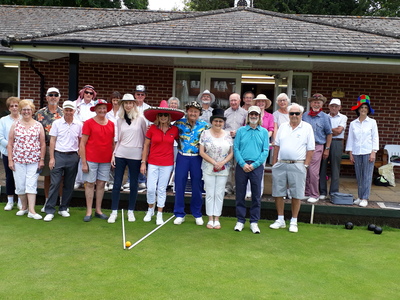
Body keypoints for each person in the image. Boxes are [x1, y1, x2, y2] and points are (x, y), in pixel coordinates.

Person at [270, 103, 315, 233]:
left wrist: (305, 165)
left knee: (297, 194)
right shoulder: (283, 127)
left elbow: (311, 149)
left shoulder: (307, 127)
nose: (294, 116)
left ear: (301, 114)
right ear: (288, 114)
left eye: (297, 113)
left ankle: (294, 221)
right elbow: (277, 146)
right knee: (278, 192)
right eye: (291, 113)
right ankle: (280, 220)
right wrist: (274, 164)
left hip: (298, 164)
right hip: (281, 163)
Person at [141, 100, 184, 225]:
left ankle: (159, 213)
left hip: (167, 163)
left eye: (165, 115)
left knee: (161, 189)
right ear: (157, 117)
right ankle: (150, 210)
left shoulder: (175, 130)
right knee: (150, 189)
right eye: (161, 115)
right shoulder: (152, 129)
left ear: (169, 117)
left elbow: (182, 142)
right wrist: (143, 162)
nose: (163, 117)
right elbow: (146, 146)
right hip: (153, 162)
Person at [107, 94, 147, 223]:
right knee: (117, 183)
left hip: (135, 155)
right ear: (123, 105)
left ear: (134, 104)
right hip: (121, 154)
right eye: (126, 103)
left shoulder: (141, 119)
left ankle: (131, 211)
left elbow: (145, 138)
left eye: (131, 103)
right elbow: (118, 140)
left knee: (134, 183)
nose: (128, 105)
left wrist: (143, 159)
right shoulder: (119, 120)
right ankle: (114, 211)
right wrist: (114, 154)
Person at [43, 101, 82, 221]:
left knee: (69, 184)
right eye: (67, 110)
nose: (69, 112)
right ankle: (49, 209)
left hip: (73, 156)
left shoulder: (79, 124)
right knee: (55, 183)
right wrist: (52, 158)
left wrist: (79, 154)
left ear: (74, 111)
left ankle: (63, 208)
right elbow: (53, 141)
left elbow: (80, 140)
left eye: (71, 110)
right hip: (59, 155)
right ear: (63, 110)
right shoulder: (57, 123)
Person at [7, 99, 46, 219]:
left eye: (28, 109)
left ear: (32, 111)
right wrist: (10, 160)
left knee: (31, 184)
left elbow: (43, 143)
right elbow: (10, 143)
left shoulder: (38, 125)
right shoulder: (15, 125)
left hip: (34, 160)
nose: (26, 112)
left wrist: (42, 159)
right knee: (20, 185)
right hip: (18, 160)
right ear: (20, 111)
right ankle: (24, 207)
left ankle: (32, 211)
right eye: (24, 109)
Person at [233, 106, 269, 234]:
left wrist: (255, 165)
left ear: (259, 117)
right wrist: (242, 163)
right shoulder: (241, 131)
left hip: (256, 166)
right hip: (242, 165)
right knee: (240, 194)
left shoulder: (264, 132)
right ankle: (240, 220)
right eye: (251, 114)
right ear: (248, 116)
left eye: (256, 114)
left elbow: (265, 151)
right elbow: (236, 148)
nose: (253, 116)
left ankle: (254, 222)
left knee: (256, 195)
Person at [173, 101, 209, 225]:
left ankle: (197, 214)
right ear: (187, 111)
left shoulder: (205, 126)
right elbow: (173, 136)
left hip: (197, 158)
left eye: (196, 111)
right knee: (179, 185)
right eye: (191, 110)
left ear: (199, 113)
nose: (193, 113)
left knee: (197, 185)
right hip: (183, 156)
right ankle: (179, 213)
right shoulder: (179, 123)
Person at [80, 99, 114, 222]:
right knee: (89, 183)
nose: (102, 110)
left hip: (105, 159)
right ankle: (89, 210)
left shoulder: (111, 124)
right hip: (91, 158)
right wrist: (84, 162)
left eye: (104, 108)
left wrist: (112, 158)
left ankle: (98, 210)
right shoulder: (89, 123)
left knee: (101, 184)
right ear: (95, 109)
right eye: (99, 108)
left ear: (107, 109)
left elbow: (112, 144)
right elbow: (82, 143)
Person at [199, 108, 233, 229]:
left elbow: (231, 152)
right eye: (216, 121)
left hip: (223, 168)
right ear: (212, 121)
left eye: (220, 121)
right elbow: (201, 152)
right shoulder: (205, 133)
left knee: (219, 193)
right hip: (208, 167)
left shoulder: (228, 135)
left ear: (223, 122)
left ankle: (217, 218)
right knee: (210, 193)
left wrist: (222, 162)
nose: (218, 123)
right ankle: (210, 218)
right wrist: (214, 162)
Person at [345, 95, 379, 208]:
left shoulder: (372, 122)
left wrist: (373, 151)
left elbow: (375, 137)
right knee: (359, 176)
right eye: (361, 107)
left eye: (365, 107)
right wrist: (350, 153)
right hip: (356, 152)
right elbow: (350, 139)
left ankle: (365, 198)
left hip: (368, 151)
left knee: (367, 176)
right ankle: (359, 197)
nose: (363, 109)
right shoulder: (353, 123)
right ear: (358, 109)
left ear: (368, 109)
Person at [34, 87, 63, 212]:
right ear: (46, 97)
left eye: (55, 95)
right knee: (47, 176)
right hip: (45, 148)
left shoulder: (63, 113)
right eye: (50, 95)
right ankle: (47, 202)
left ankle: (62, 204)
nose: (53, 97)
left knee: (61, 177)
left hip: (61, 148)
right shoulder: (39, 113)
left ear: (59, 97)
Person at [302, 93, 332, 203]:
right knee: (304, 169)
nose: (316, 104)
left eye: (318, 102)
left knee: (313, 172)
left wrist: (327, 148)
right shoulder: (304, 115)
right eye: (314, 102)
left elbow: (329, 133)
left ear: (322, 104)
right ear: (310, 103)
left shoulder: (325, 117)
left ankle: (314, 194)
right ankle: (306, 192)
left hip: (317, 146)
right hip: (304, 147)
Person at [319, 98, 348, 199]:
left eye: (336, 106)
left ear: (340, 107)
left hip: (337, 143)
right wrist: (331, 131)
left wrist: (326, 130)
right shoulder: (324, 117)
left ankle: (334, 192)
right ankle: (322, 192)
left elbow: (339, 131)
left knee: (335, 168)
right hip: (324, 142)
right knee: (322, 167)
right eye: (332, 106)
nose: (334, 108)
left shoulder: (343, 117)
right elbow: (321, 131)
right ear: (329, 107)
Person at [123, 84, 150, 191]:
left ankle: (142, 180)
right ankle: (130, 180)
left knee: (142, 158)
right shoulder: (130, 107)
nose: (139, 96)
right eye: (138, 94)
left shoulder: (148, 108)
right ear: (134, 95)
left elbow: (150, 123)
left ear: (145, 96)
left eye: (142, 94)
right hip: (132, 136)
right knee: (131, 159)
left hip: (145, 137)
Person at [0, 97, 21, 210]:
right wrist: (10, 146)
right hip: (7, 153)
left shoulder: (24, 118)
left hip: (22, 154)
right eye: (11, 106)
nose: (14, 108)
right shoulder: (3, 120)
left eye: (16, 105)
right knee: (9, 177)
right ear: (8, 108)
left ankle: (20, 200)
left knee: (20, 177)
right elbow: (1, 137)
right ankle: (10, 200)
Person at [223, 93, 247, 194]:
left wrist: (238, 132)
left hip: (240, 141)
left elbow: (247, 127)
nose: (233, 102)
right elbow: (221, 127)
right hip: (227, 141)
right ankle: (228, 187)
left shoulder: (245, 113)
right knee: (228, 164)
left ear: (239, 100)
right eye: (231, 100)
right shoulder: (226, 113)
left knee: (239, 165)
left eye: (235, 100)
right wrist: (227, 133)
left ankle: (238, 187)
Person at [74, 85, 97, 189]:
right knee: (79, 157)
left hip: (92, 135)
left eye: (91, 93)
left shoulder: (95, 105)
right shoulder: (76, 104)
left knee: (91, 157)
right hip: (78, 134)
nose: (88, 95)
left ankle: (89, 180)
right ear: (83, 93)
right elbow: (74, 119)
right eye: (86, 92)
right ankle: (78, 180)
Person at [105, 91, 121, 192]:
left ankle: (116, 182)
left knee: (117, 161)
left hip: (119, 140)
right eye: (114, 100)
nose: (115, 102)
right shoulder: (107, 113)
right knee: (108, 161)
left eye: (117, 100)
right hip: (109, 139)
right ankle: (108, 181)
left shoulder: (123, 113)